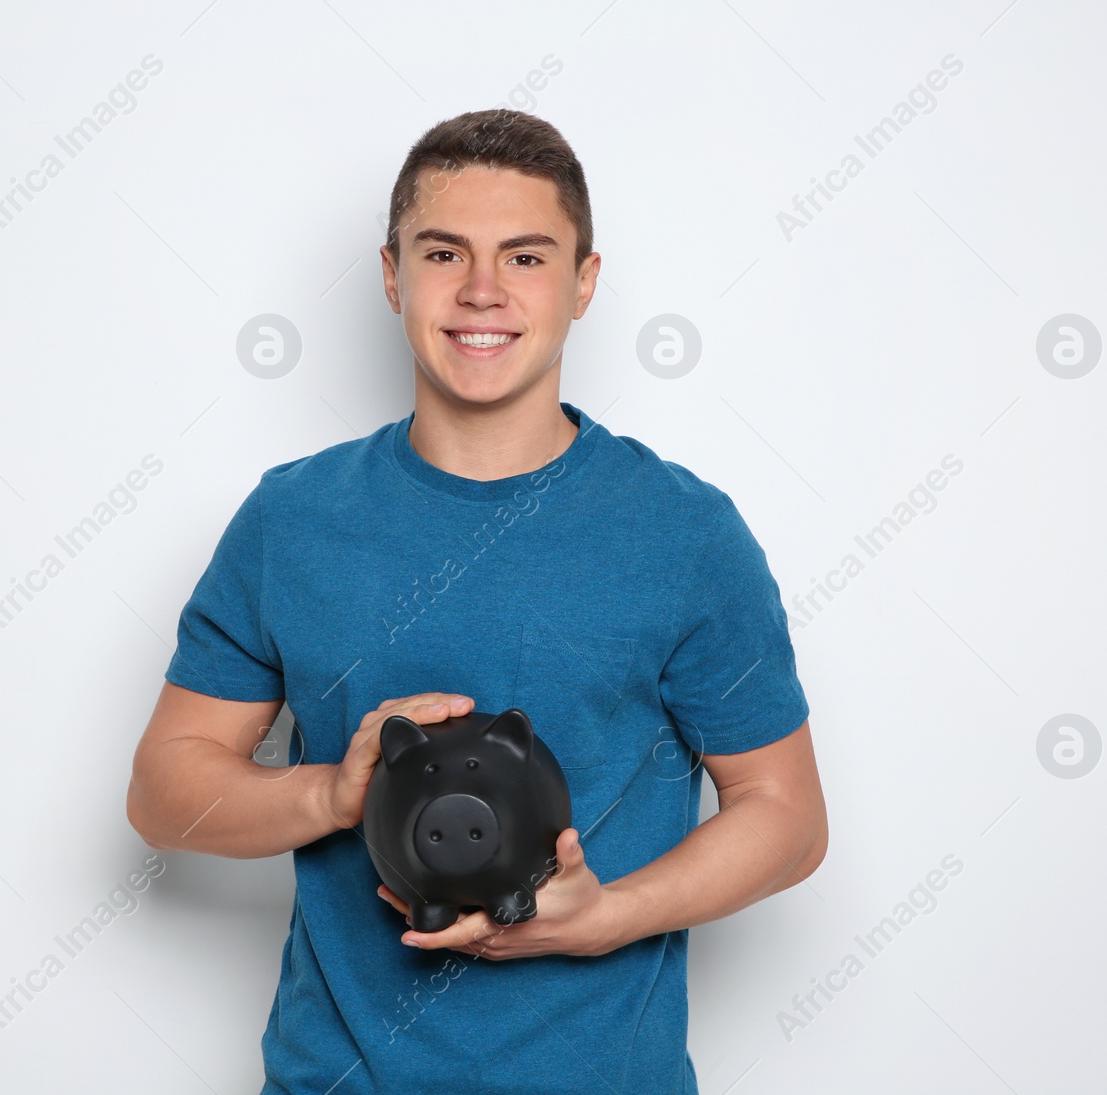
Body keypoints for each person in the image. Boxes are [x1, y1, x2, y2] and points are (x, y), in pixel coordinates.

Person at [126, 108, 828, 1095]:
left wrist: (608, 916)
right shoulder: (293, 521)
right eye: (444, 252)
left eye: (527, 257)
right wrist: (329, 793)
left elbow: (787, 814)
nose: (483, 291)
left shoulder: (682, 532)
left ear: (584, 282)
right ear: (390, 274)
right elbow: (162, 791)